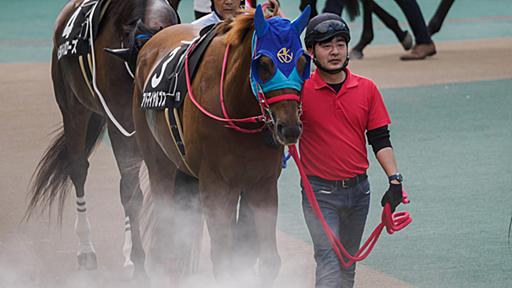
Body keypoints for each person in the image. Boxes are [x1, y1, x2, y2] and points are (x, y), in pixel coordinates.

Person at [300, 13, 406, 287]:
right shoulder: (300, 91)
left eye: (340, 43)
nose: (335, 51)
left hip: (360, 193)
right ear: (311, 51)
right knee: (328, 261)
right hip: (319, 194)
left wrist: (395, 179)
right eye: (325, 45)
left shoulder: (367, 88)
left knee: (348, 265)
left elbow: (380, 139)